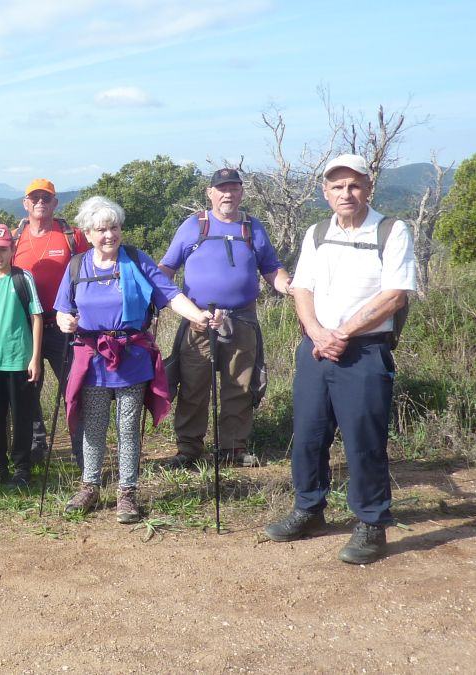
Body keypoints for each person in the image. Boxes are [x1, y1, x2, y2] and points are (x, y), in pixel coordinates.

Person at [264, 154, 415, 565]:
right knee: (309, 435)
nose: (345, 193)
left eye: (353, 185)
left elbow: (395, 295)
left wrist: (342, 334)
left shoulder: (391, 230)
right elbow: (302, 288)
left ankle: (371, 522)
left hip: (365, 351)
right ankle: (309, 510)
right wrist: (316, 332)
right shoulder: (316, 233)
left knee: (364, 441)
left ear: (368, 188)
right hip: (315, 348)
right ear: (325, 192)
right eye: (337, 186)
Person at [54, 197, 216, 523]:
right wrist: (65, 322)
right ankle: (90, 486)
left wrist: (198, 315)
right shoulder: (76, 266)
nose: (110, 235)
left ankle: (126, 493)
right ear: (88, 233)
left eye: (114, 227)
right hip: (93, 359)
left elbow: (170, 294)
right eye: (102, 229)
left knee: (128, 428)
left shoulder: (136, 261)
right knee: (94, 426)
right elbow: (62, 309)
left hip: (132, 357)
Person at [157, 168, 292, 469]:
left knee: (240, 385)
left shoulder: (252, 228)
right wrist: (150, 298)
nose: (228, 194)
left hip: (241, 319)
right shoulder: (194, 226)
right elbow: (167, 266)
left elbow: (271, 268)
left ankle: (232, 448)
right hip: (198, 320)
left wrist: (289, 286)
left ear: (242, 192)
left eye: (234, 188)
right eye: (222, 189)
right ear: (210, 193)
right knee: (193, 385)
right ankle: (189, 448)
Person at [0, 179, 91, 465]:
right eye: (34, 198)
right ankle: (36, 448)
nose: (40, 202)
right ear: (25, 203)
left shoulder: (72, 236)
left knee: (73, 389)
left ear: (55, 203)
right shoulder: (14, 238)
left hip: (65, 327)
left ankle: (82, 449)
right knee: (28, 392)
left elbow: (91, 267)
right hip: (26, 328)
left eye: (46, 198)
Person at [0, 223, 44, 488]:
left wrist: (35, 358)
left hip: (18, 359)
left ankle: (22, 468)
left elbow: (37, 317)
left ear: (12, 249)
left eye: (2, 249)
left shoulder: (23, 278)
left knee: (22, 416)